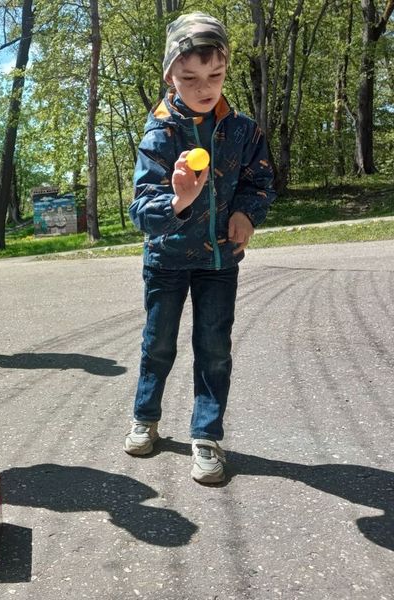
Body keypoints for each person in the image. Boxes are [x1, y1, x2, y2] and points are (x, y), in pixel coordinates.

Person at [124, 13, 275, 484]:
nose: (203, 87)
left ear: (226, 67)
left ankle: (206, 434)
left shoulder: (244, 130)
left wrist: (247, 213)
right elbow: (141, 212)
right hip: (167, 259)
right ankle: (146, 417)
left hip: (219, 259)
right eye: (189, 77)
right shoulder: (160, 133)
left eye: (215, 76)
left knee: (214, 347)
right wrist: (179, 200)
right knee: (159, 344)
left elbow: (261, 180)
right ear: (170, 74)